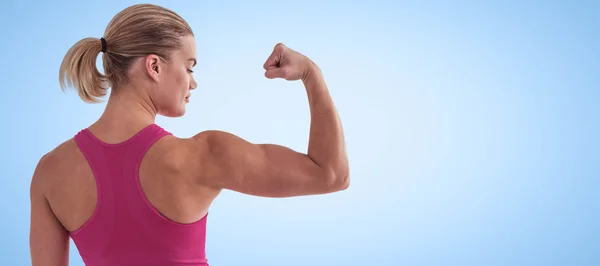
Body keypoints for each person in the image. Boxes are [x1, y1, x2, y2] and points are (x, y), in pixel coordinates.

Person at [29, 3, 349, 266]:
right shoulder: (203, 155)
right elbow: (331, 174)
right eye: (190, 67)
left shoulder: (50, 171)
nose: (193, 82)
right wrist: (311, 73)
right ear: (154, 66)